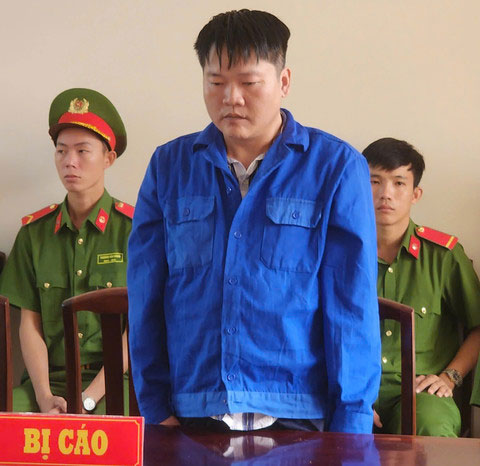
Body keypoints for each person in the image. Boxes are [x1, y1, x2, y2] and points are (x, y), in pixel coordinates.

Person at [128, 9, 380, 433]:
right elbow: (146, 295)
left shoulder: (335, 168)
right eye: (216, 83)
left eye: (248, 83)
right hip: (191, 411)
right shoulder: (169, 167)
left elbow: (351, 308)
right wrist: (154, 409)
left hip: (299, 413)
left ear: (283, 82)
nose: (231, 98)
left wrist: (350, 428)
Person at [0, 88, 134, 414]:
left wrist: (87, 399)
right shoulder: (34, 234)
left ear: (108, 158)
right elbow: (29, 326)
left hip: (115, 382)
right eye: (61, 151)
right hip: (49, 382)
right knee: (10, 422)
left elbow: (139, 330)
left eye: (82, 151)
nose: (69, 161)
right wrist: (44, 397)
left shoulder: (134, 231)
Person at [363, 137, 480, 437]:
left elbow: (478, 326)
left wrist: (450, 377)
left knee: (430, 426)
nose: (386, 194)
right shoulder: (339, 253)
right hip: (355, 386)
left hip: (421, 391)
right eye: (375, 181)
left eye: (398, 183)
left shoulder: (443, 256)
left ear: (416, 194)